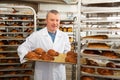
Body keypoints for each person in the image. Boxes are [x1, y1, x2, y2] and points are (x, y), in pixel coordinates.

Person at [17, 10, 71, 80]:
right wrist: (27, 55)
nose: (55, 23)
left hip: (58, 73)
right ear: (46, 20)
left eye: (57, 20)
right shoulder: (37, 35)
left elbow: (67, 52)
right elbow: (22, 47)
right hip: (43, 73)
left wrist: (67, 57)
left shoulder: (64, 36)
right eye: (52, 20)